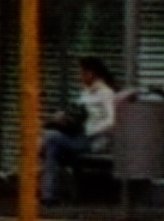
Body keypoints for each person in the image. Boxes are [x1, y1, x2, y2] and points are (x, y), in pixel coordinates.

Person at [39, 56, 119, 205]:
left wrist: (90, 129)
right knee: (52, 150)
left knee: (51, 138)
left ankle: (25, 171)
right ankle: (48, 196)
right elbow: (80, 114)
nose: (79, 77)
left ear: (92, 73)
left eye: (81, 73)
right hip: (77, 137)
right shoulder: (86, 93)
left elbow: (112, 120)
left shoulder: (106, 93)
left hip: (92, 140)